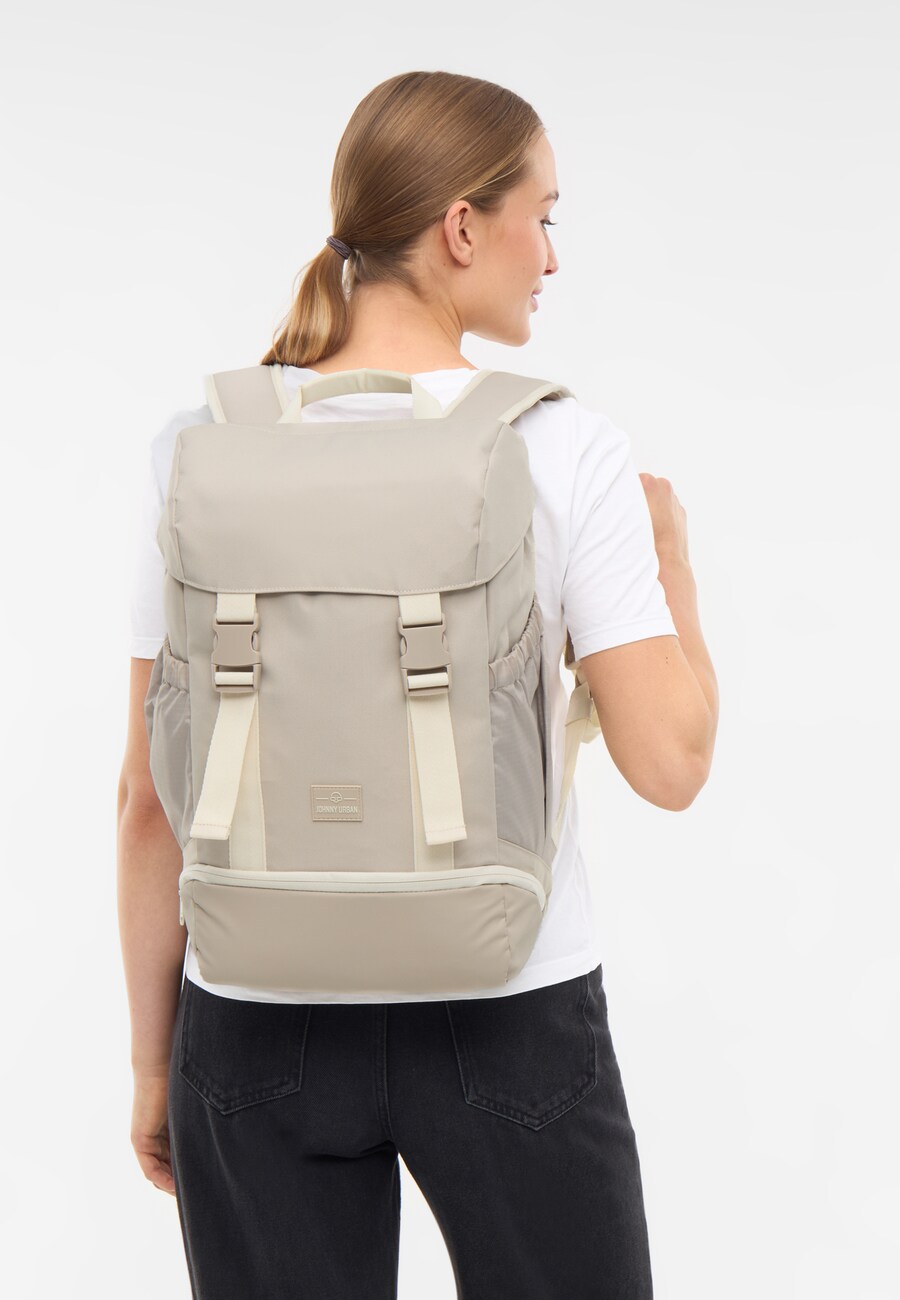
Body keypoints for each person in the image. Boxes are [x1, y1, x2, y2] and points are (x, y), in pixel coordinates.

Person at [118, 70, 718, 1300]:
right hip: (507, 998)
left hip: (255, 1008)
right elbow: (672, 763)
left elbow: (146, 801)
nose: (551, 255)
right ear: (460, 227)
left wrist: (153, 1064)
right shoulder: (562, 447)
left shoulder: (199, 446)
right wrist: (674, 567)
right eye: (541, 217)